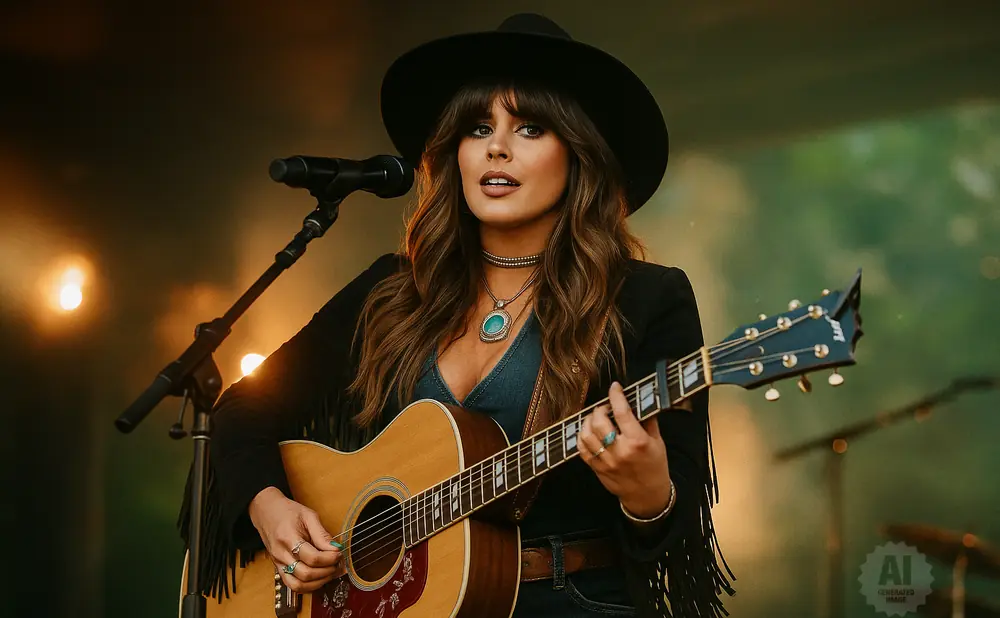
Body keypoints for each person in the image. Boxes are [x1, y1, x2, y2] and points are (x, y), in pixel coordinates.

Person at [181, 13, 733, 618]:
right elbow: (241, 409)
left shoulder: (646, 299)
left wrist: (646, 494)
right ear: (454, 155)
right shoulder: (391, 290)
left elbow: (676, 535)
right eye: (477, 127)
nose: (496, 146)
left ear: (578, 155)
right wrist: (269, 508)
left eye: (529, 128)